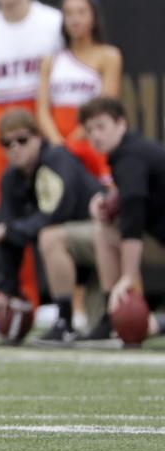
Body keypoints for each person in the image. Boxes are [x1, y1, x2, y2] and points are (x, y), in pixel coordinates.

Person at [0, 0, 63, 309]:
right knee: (10, 213)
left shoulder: (52, 23)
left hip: (44, 122)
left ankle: (65, 296)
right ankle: (21, 300)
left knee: (60, 204)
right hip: (5, 130)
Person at [0, 109, 101, 344]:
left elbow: (57, 213)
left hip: (102, 239)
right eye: (7, 143)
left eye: (22, 140)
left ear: (38, 137)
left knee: (50, 236)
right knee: (98, 334)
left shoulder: (56, 159)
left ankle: (64, 322)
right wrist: (7, 291)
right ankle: (76, 322)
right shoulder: (11, 178)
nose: (15, 148)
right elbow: (8, 232)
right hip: (78, 247)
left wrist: (12, 231)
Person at [80, 97, 165, 341]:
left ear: (121, 124)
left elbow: (134, 217)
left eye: (101, 126)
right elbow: (133, 196)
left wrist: (128, 277)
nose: (95, 135)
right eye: (89, 130)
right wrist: (107, 200)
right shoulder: (129, 152)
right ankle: (110, 314)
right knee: (105, 229)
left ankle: (154, 325)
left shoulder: (129, 157)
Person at [37, 0, 121, 181]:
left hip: (94, 141)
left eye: (81, 12)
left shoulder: (109, 56)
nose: (75, 20)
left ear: (93, 16)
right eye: (68, 13)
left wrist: (79, 137)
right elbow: (42, 110)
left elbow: (107, 104)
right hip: (57, 144)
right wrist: (58, 143)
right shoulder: (51, 60)